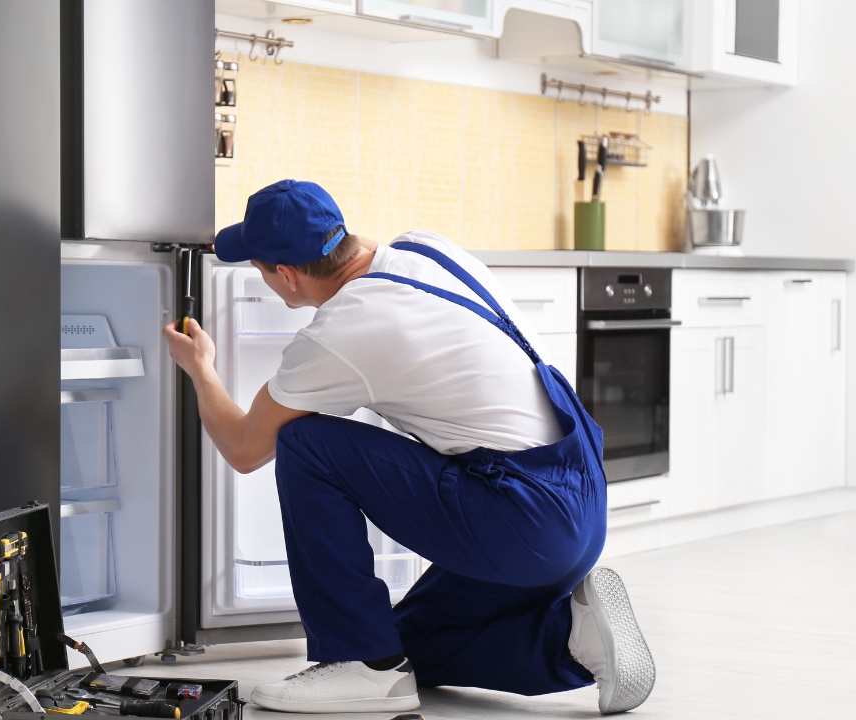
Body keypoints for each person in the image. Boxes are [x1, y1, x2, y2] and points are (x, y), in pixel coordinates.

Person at [162, 180, 655, 715]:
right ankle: (572, 640)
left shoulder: (342, 330)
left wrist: (201, 369)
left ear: (286, 274)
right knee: (408, 647)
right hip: (578, 502)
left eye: (261, 269)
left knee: (305, 443)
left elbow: (243, 448)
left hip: (522, 520)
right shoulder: (427, 248)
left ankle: (361, 663)